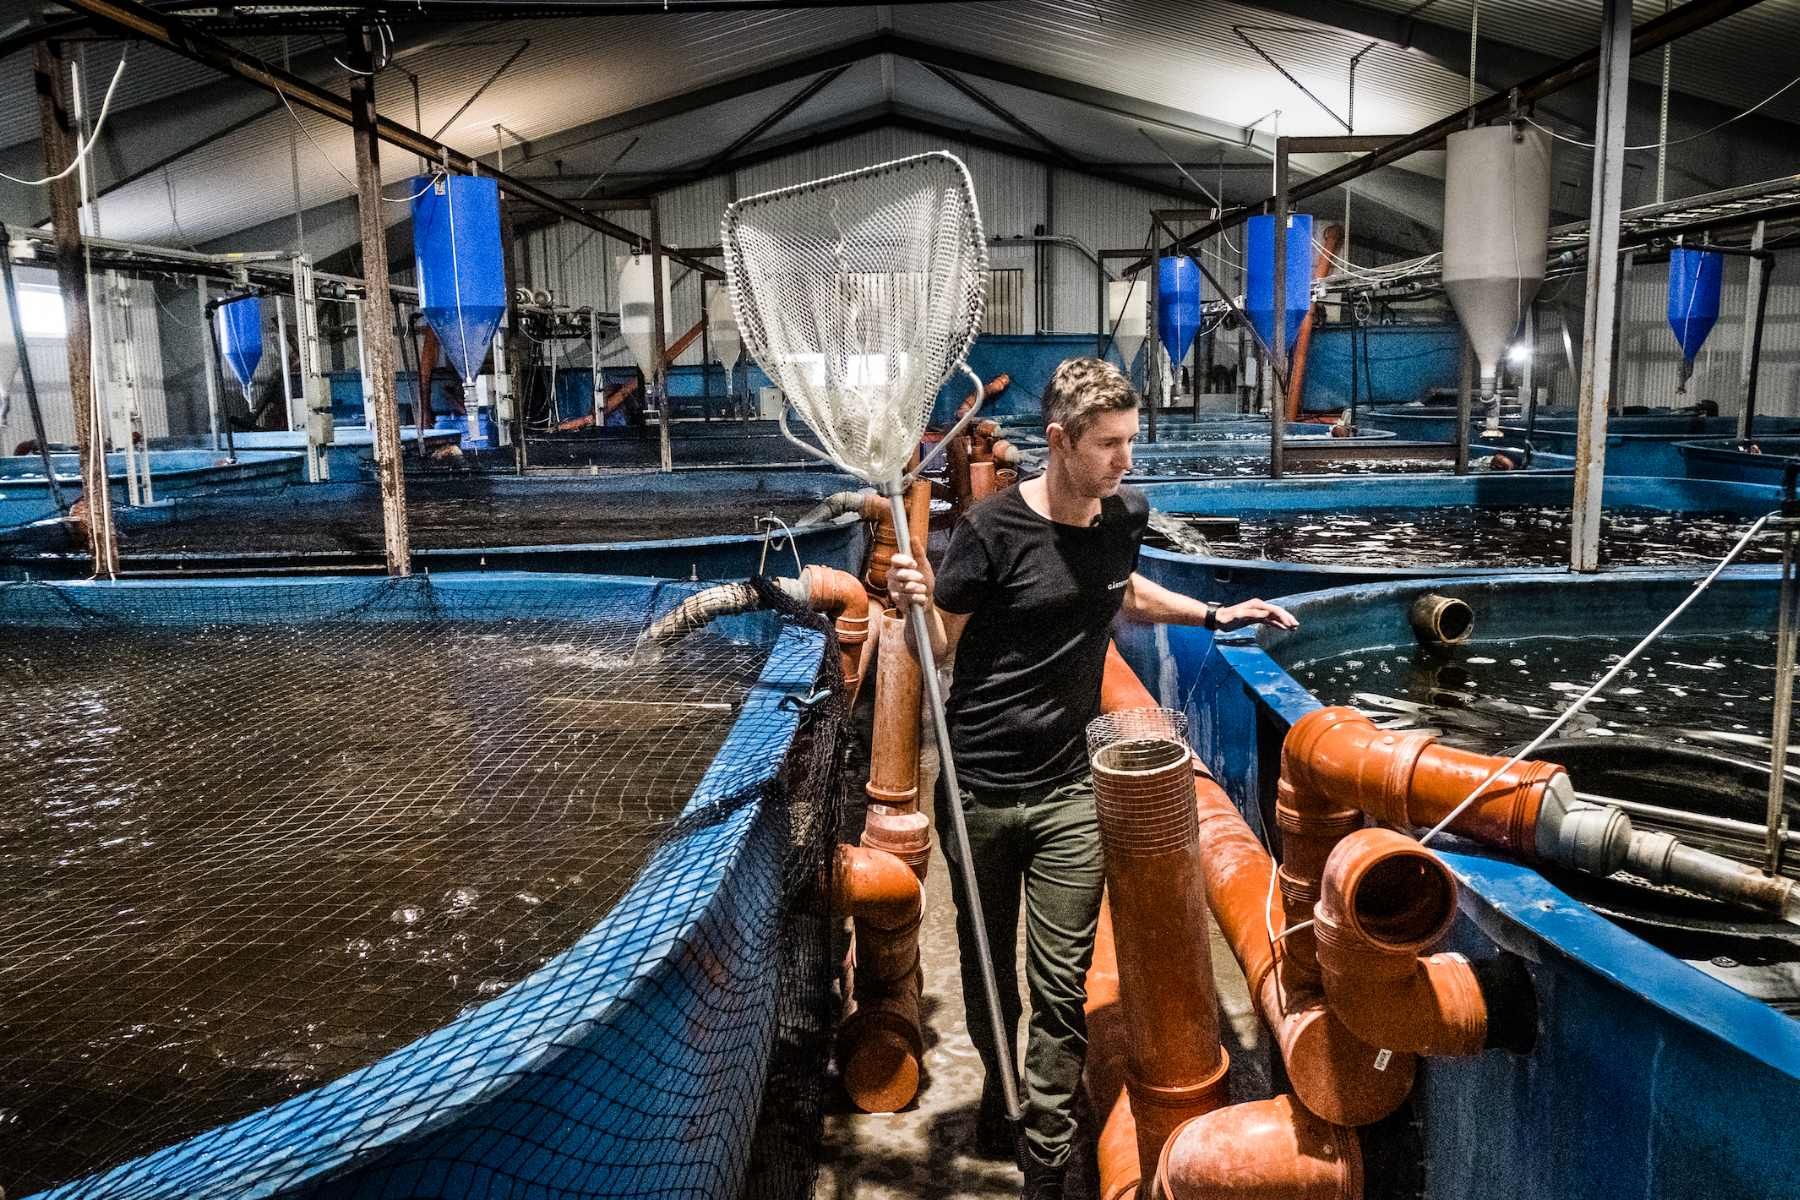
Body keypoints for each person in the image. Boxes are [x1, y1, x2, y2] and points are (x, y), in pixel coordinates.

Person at [887, 357, 1296, 1199]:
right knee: (987, 968)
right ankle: (1004, 1098)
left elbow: (1125, 593)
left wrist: (1215, 611)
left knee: (1060, 985)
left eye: (1130, 442)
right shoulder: (993, 532)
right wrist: (913, 604)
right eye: (1108, 444)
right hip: (979, 790)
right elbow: (936, 651)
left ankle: (1045, 1161)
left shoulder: (1124, 515)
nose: (1125, 461)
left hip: (1071, 788)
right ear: (1058, 441)